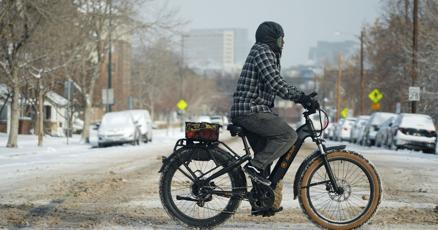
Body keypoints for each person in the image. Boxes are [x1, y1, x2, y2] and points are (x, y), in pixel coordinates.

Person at [230, 21, 318, 187]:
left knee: (265, 155)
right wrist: (301, 97)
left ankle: (261, 202)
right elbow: (275, 83)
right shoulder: (263, 51)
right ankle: (254, 167)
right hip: (250, 110)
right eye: (281, 38)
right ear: (272, 39)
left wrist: (302, 97)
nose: (283, 42)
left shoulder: (265, 52)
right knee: (288, 136)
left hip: (253, 110)